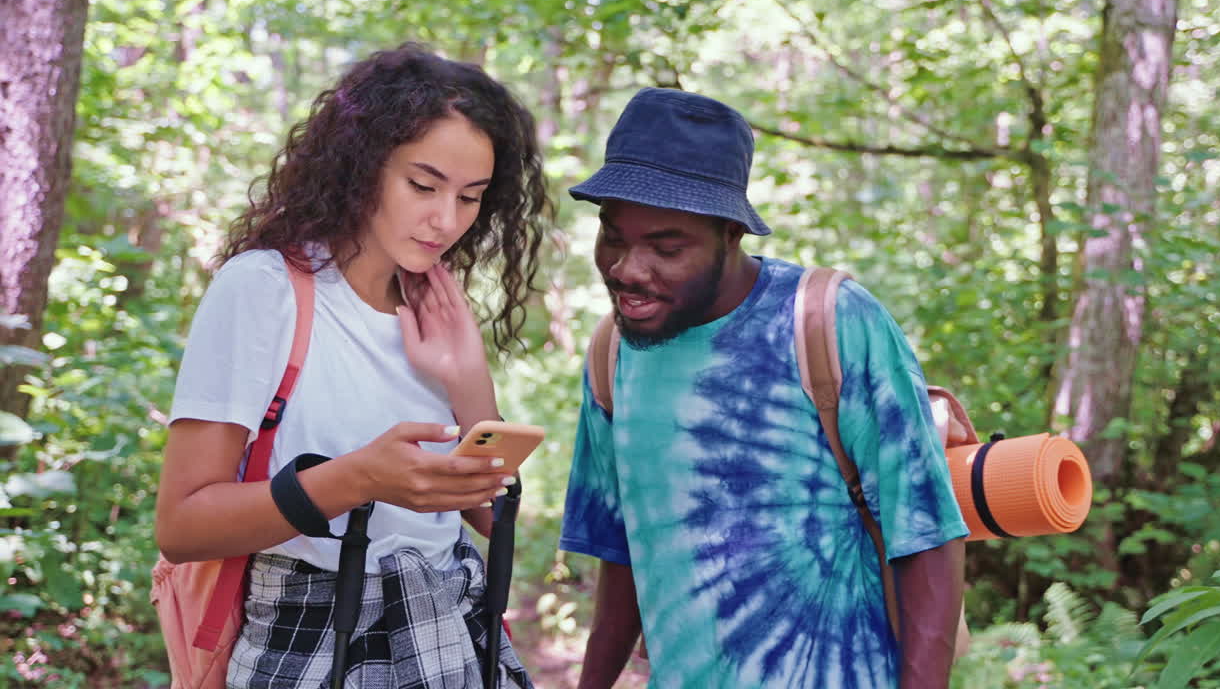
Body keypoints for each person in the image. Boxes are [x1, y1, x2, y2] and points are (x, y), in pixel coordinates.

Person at [155, 43, 551, 688]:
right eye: (423, 186)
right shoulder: (265, 289)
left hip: (448, 628)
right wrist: (358, 478)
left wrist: (466, 376)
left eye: (471, 197)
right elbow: (182, 524)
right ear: (359, 166)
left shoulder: (432, 300)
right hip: (312, 634)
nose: (445, 219)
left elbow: (486, 515)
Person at [558, 88, 969, 689]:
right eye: (614, 237)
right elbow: (623, 549)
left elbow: (926, 534)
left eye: (666, 247)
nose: (626, 269)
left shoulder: (830, 322)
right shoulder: (613, 350)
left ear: (731, 233)